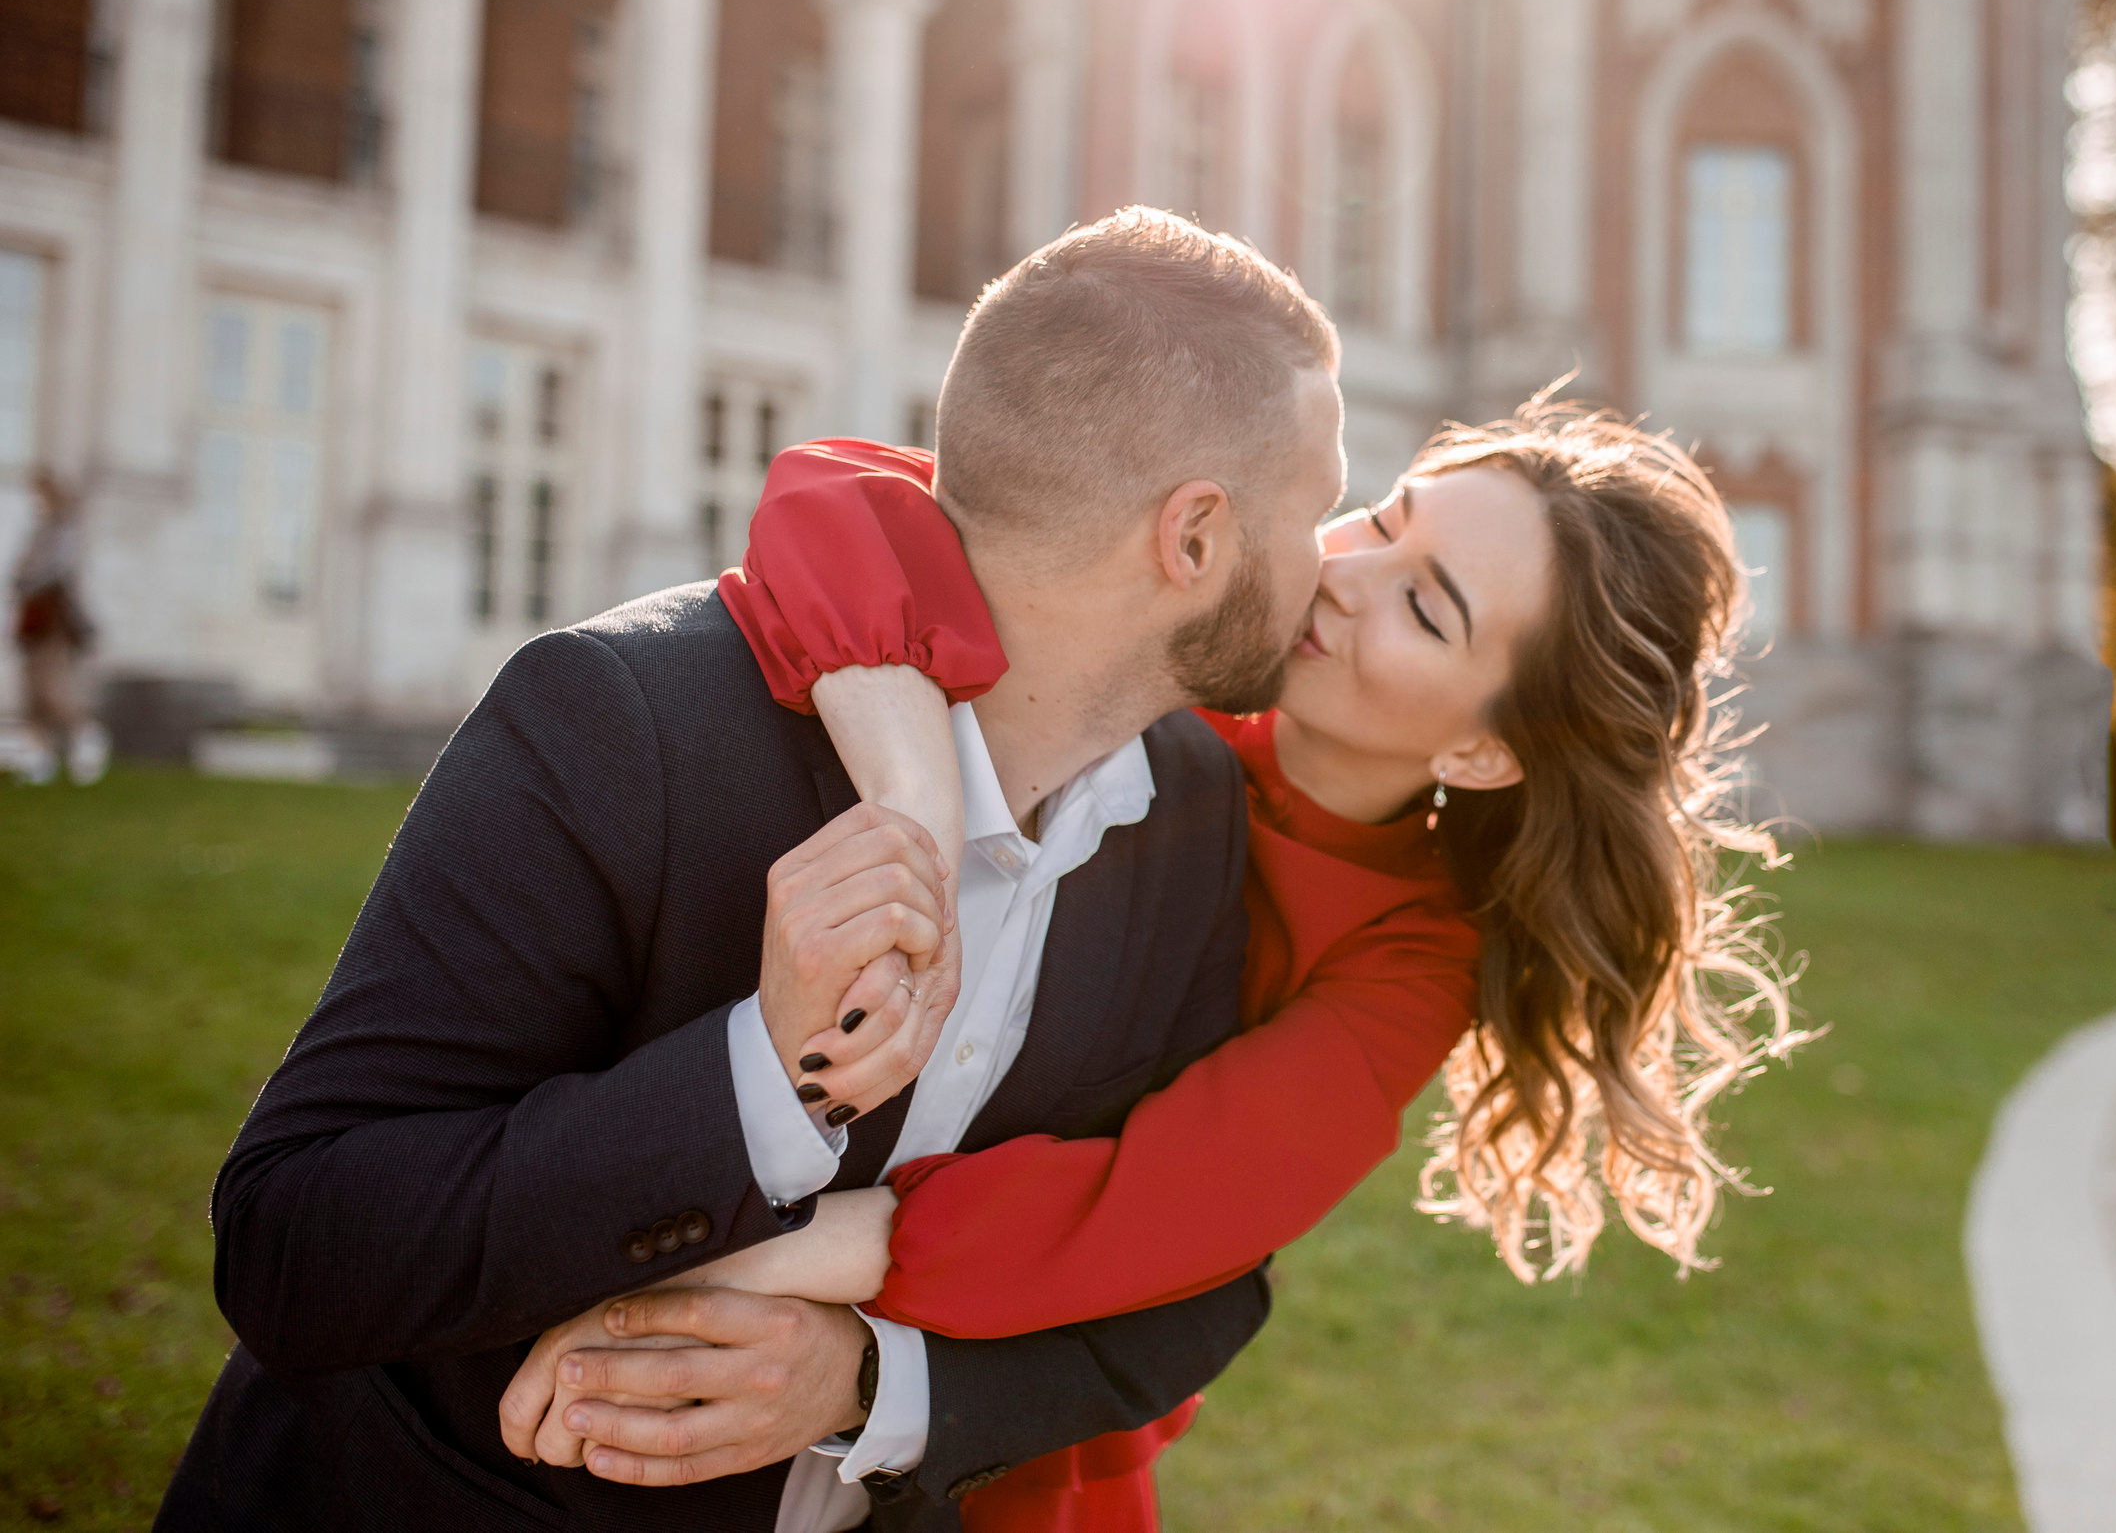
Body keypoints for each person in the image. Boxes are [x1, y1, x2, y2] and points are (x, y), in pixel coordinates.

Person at [158, 210, 1351, 1533]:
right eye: (1319, 507)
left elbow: (1198, 1286)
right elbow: (294, 1241)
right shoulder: (620, 720)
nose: (1334, 558)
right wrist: (760, 1067)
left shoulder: (1192, 811)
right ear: (1192, 539)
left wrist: (873, 1381)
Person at [503, 396, 1806, 1530]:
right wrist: (910, 778)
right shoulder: (1176, 650)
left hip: (1004, 1453)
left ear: (1483, 752)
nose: (1346, 571)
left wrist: (760, 1256)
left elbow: (1132, 1216)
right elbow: (838, 495)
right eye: (1389, 515)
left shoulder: (1408, 962)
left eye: (1424, 603)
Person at [12, 472, 108, 786]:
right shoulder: (41, 532)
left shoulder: (65, 531)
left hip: (52, 621)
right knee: (32, 695)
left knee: (54, 691)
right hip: (32, 622)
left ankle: (86, 736)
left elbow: (53, 572)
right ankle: (40, 760)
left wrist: (25, 580)